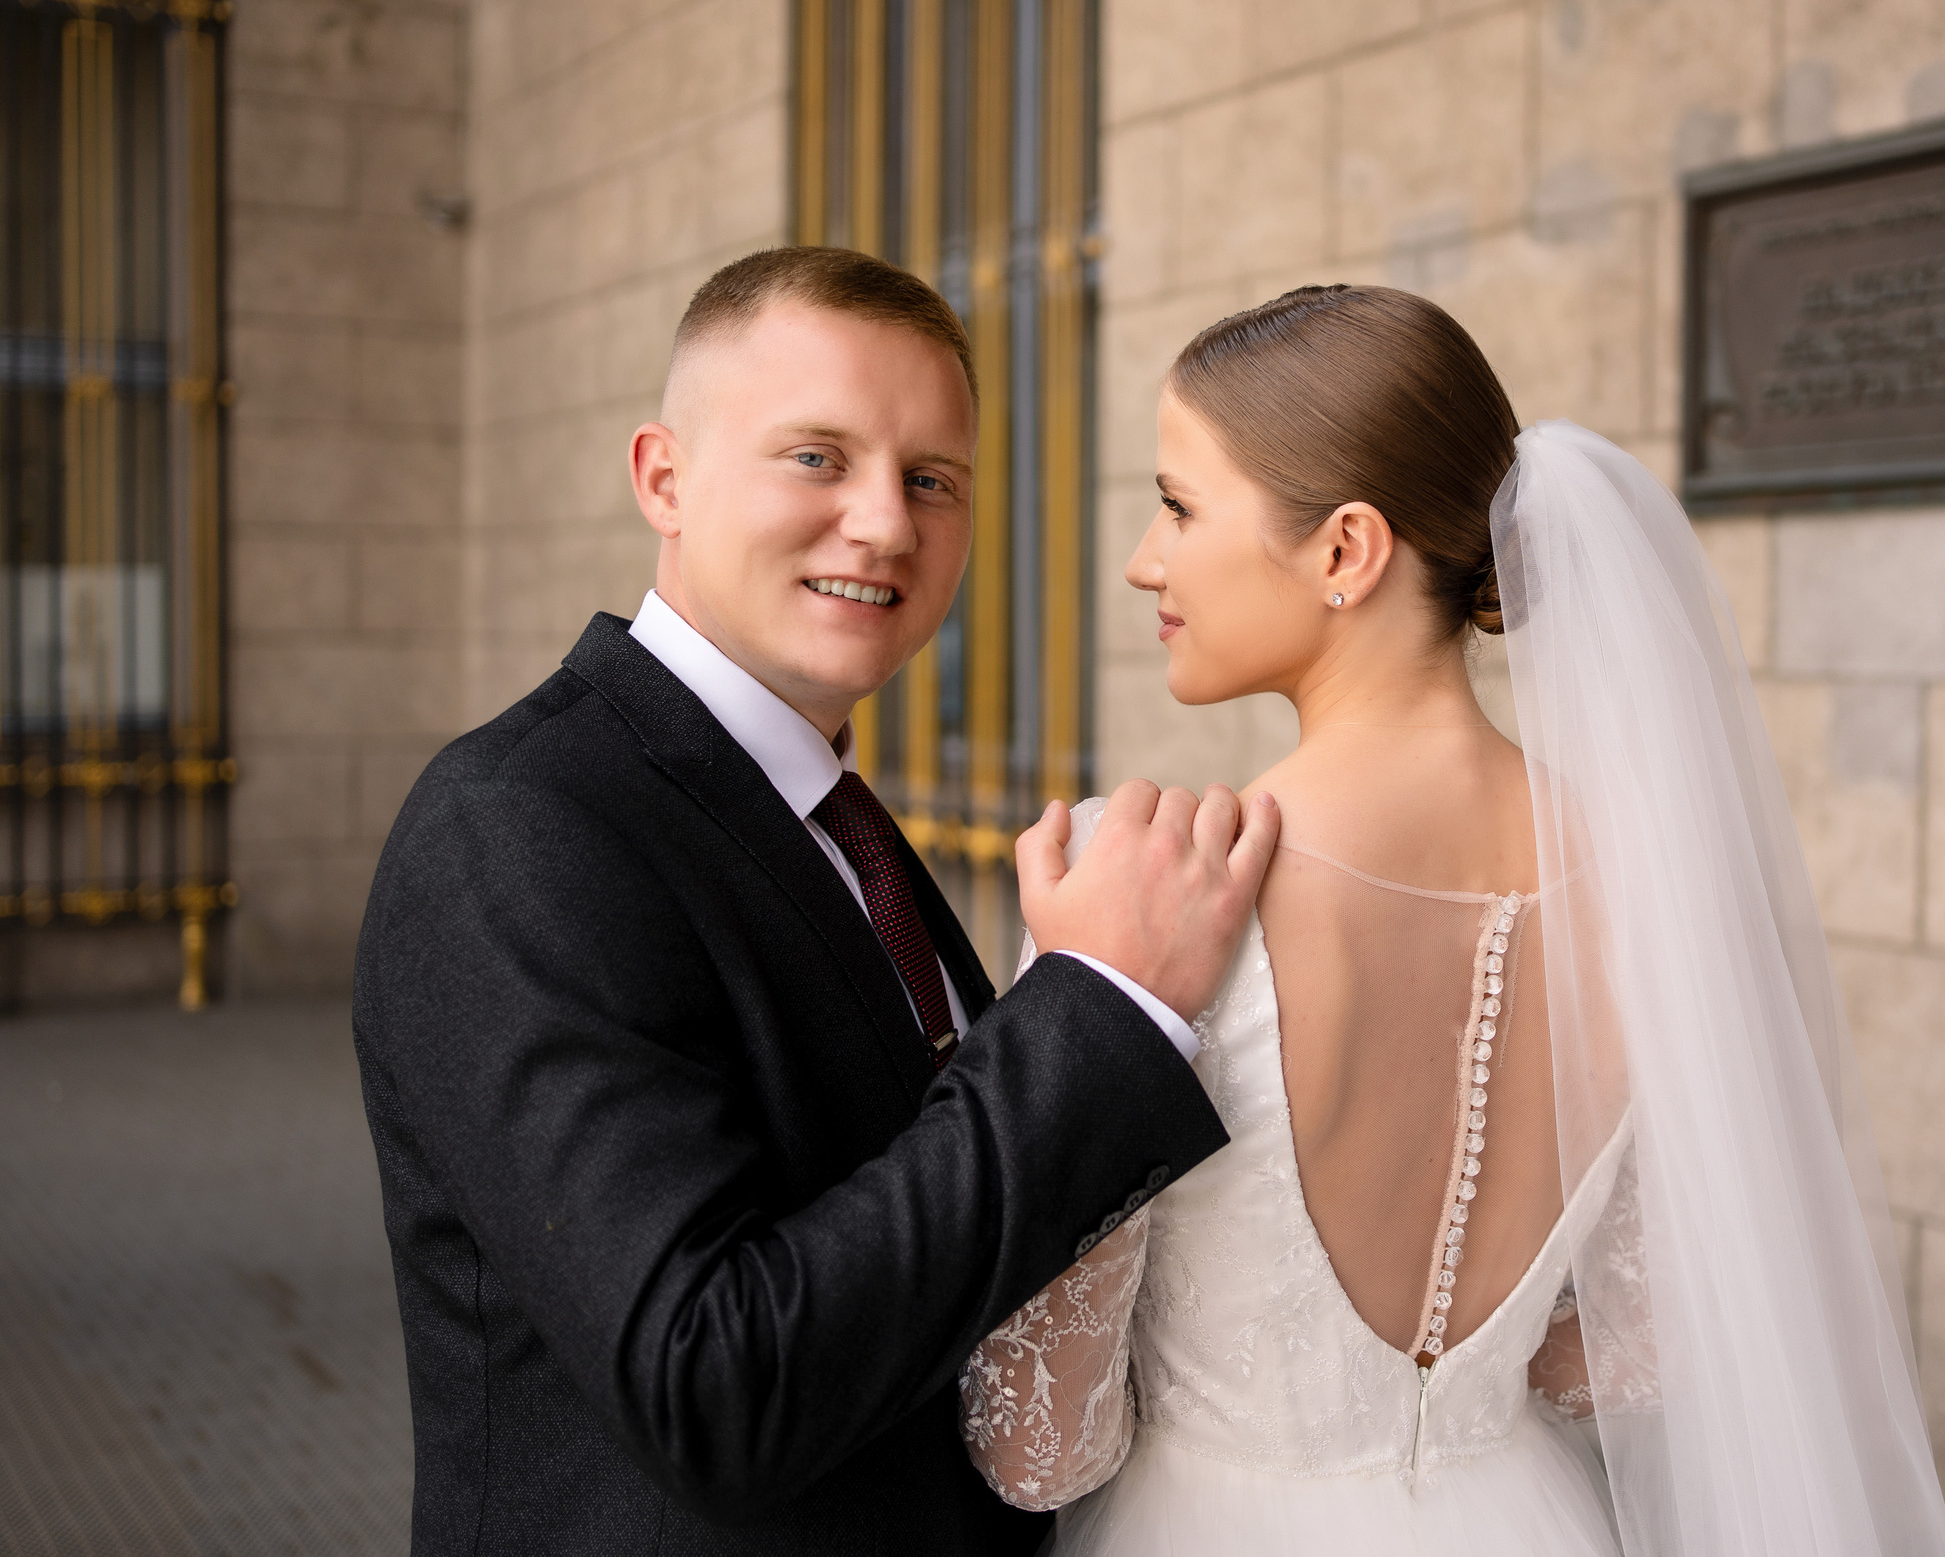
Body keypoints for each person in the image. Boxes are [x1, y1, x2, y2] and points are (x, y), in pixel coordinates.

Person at [958, 286, 1945, 1556]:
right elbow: (1634, 1348)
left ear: (1344, 551)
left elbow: (1042, 1448)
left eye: (1176, 504)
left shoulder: (1145, 883)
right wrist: (1454, 1385)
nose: (1144, 559)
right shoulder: (1647, 876)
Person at [353, 246, 1278, 1555]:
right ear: (662, 477)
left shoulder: (837, 820)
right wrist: (1098, 1008)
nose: (886, 522)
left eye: (932, 479)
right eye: (818, 457)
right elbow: (711, 1382)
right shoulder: (520, 823)